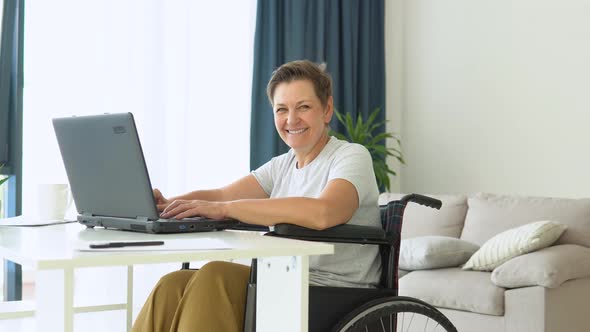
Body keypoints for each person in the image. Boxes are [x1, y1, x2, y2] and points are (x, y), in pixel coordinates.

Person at [132, 60, 382, 332]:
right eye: (282, 109)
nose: (291, 119)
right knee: (173, 284)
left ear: (327, 109)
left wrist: (227, 208)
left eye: (304, 107)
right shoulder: (282, 165)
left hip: (334, 289)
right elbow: (221, 195)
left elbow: (325, 212)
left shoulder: (350, 156)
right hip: (283, 277)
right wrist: (168, 205)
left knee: (216, 275)